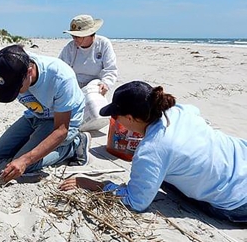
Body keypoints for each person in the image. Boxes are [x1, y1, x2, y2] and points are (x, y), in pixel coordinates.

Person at [60, 81, 247, 223]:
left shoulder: (150, 150)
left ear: (130, 118)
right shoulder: (179, 111)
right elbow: (195, 110)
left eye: (116, 116)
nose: (116, 121)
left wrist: (95, 184)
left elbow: (136, 201)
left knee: (165, 181)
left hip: (236, 201)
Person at [0, 44, 89, 184]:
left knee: (27, 164)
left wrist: (25, 160)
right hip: (35, 115)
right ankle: (31, 144)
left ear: (29, 72)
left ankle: (74, 145)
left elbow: (61, 131)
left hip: (63, 120)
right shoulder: (8, 66)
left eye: (15, 88)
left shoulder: (60, 77)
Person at [59, 14, 118, 96]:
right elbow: (60, 69)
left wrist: (106, 83)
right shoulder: (70, 47)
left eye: (78, 36)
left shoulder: (103, 44)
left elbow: (110, 69)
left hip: (95, 85)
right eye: (73, 36)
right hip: (74, 84)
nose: (74, 39)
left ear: (90, 34)